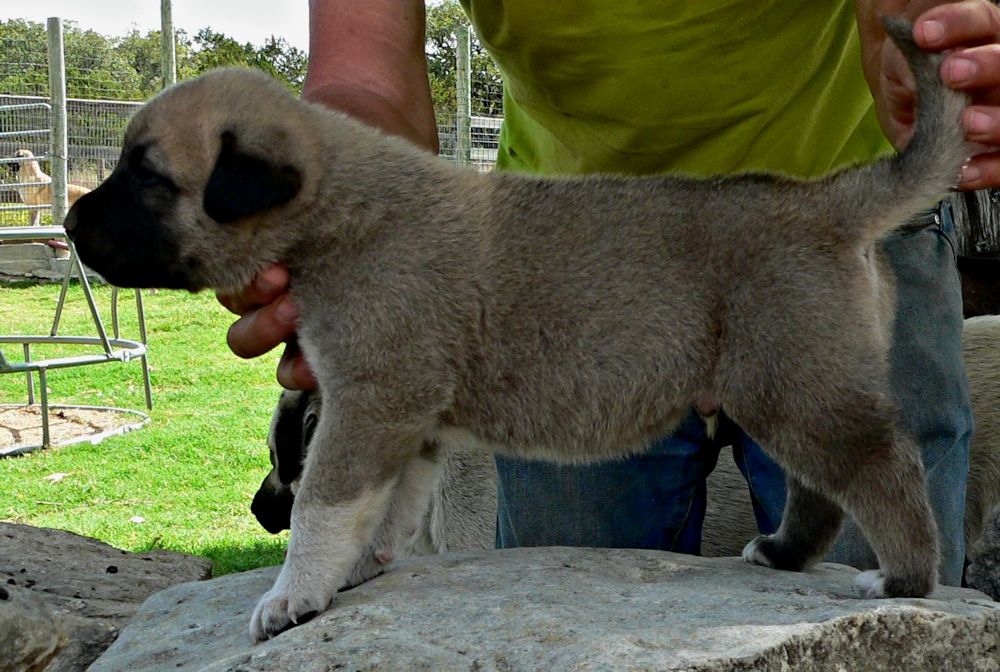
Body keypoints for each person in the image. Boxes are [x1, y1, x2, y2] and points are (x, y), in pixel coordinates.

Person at [219, 0, 1000, 587]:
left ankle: (849, 543)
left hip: (825, 223)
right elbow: (364, 79)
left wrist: (926, 39)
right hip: (567, 265)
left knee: (875, 531)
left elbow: (906, 14)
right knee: (572, 606)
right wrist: (323, 206)